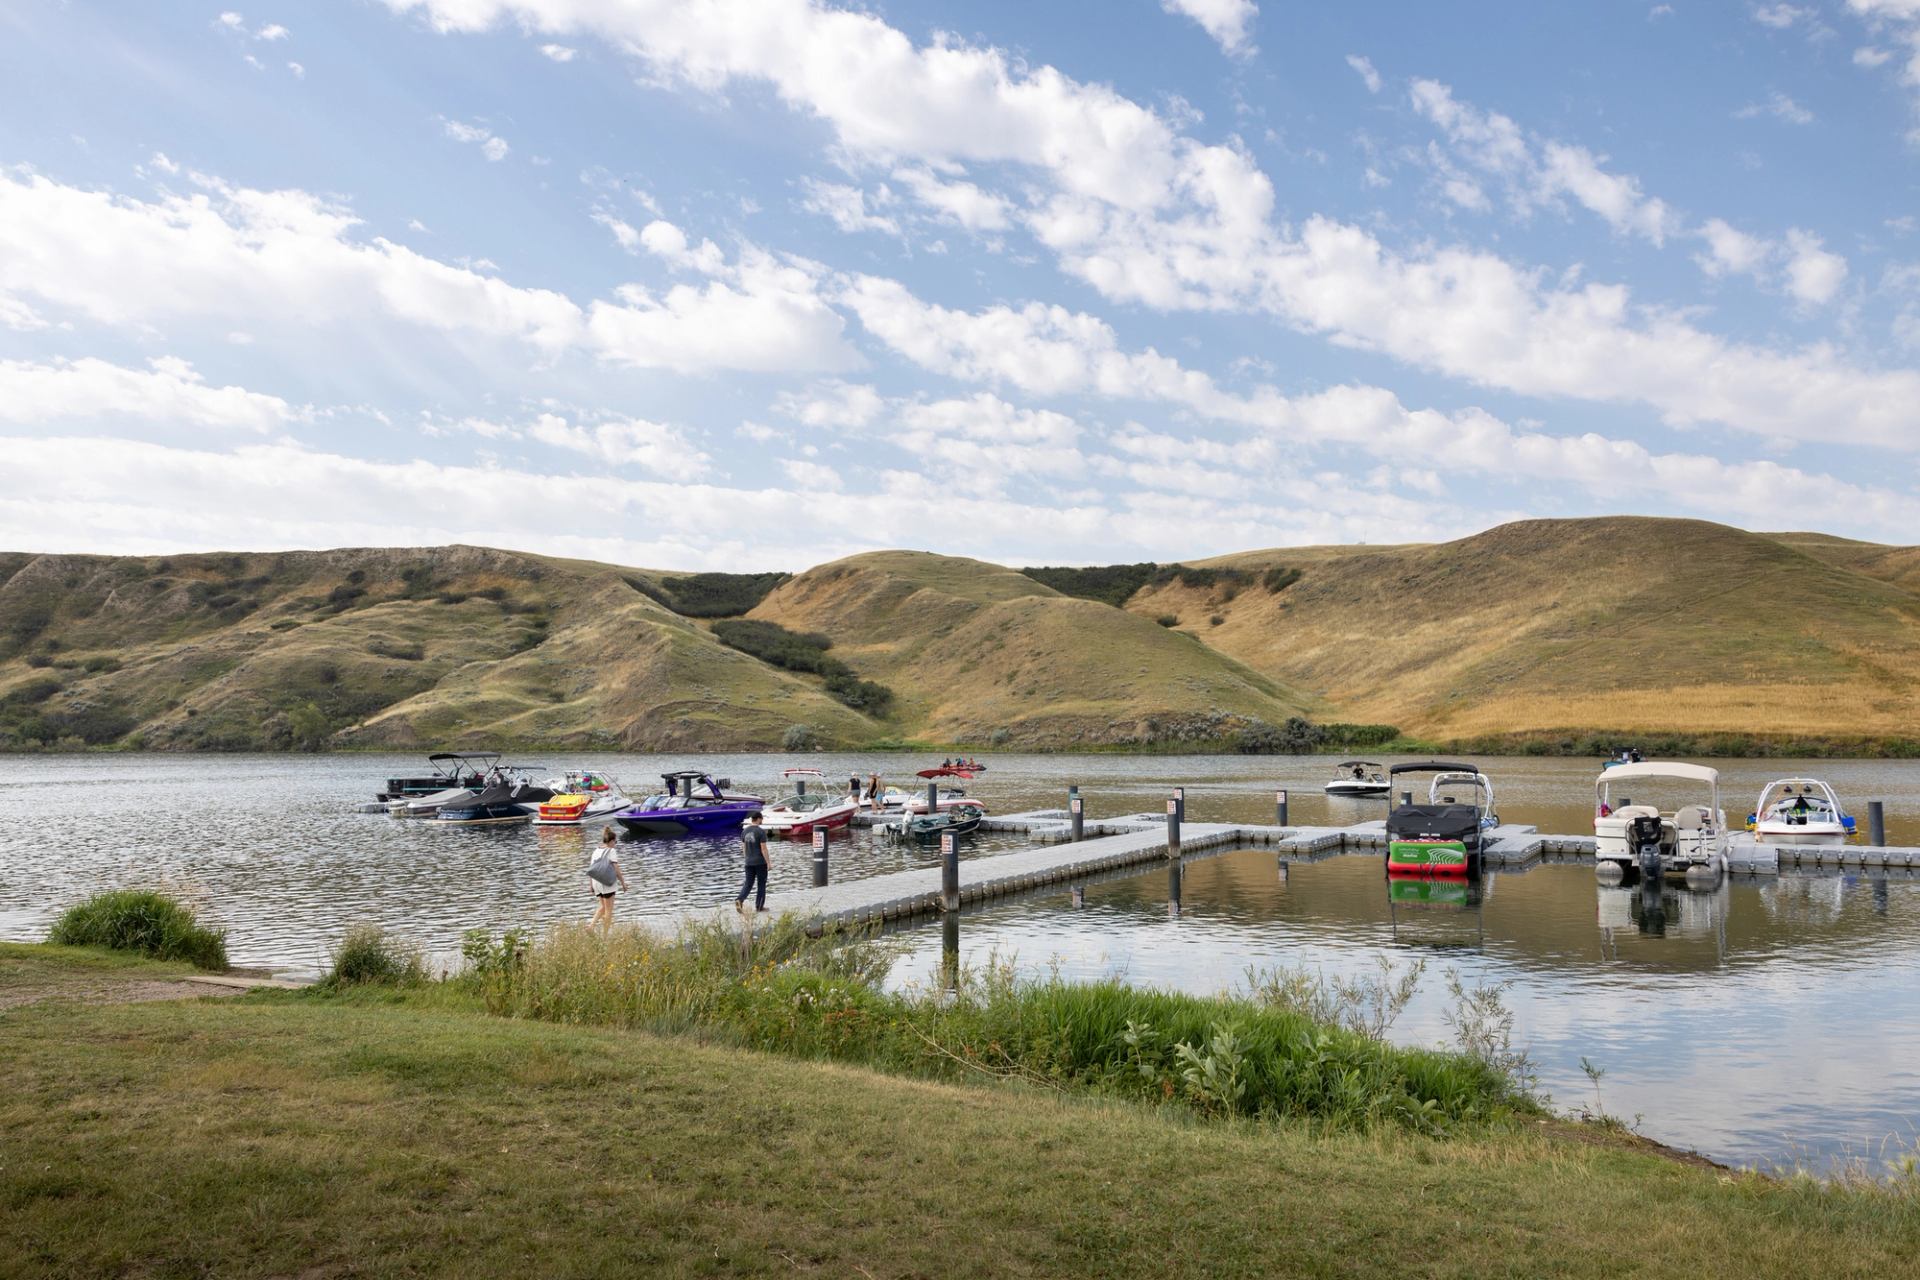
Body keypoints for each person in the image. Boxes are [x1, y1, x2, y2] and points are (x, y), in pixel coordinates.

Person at [589, 827, 629, 931]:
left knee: (602, 907)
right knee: (609, 910)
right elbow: (616, 868)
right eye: (615, 841)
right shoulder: (611, 851)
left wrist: (591, 885)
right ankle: (605, 938)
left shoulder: (596, 850)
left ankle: (590, 927)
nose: (615, 843)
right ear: (611, 841)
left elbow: (591, 869)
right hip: (606, 883)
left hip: (596, 882)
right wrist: (623, 883)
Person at [735, 811, 771, 913]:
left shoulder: (745, 831)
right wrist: (768, 863)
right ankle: (759, 907)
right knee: (761, 884)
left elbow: (744, 847)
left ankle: (740, 899)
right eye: (762, 819)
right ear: (758, 819)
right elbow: (763, 849)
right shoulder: (760, 832)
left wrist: (747, 859)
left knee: (748, 883)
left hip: (748, 862)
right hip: (760, 862)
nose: (762, 820)